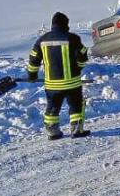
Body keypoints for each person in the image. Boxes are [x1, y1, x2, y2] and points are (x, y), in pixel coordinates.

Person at [26, 12, 91, 140]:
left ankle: (52, 131)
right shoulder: (73, 38)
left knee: (53, 106)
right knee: (75, 104)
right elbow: (83, 55)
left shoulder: (42, 40)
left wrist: (32, 75)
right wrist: (79, 67)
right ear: (65, 24)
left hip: (52, 84)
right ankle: (76, 129)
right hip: (72, 82)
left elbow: (33, 59)